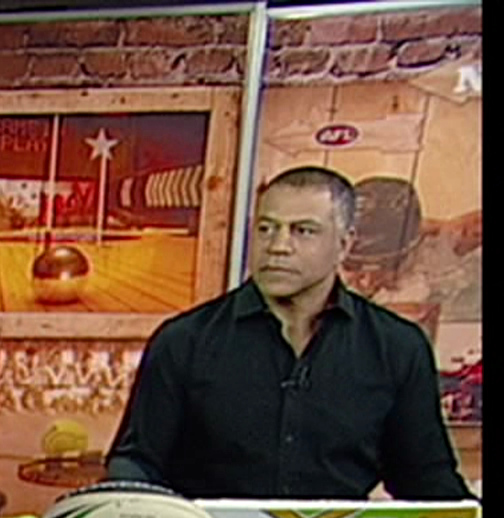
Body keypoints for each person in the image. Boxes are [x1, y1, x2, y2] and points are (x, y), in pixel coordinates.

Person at [106, 166, 472, 500]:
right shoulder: (184, 341)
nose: (277, 247)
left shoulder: (397, 347)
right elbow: (137, 464)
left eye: (303, 231)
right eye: (266, 228)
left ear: (344, 244)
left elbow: (426, 478)